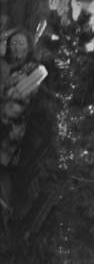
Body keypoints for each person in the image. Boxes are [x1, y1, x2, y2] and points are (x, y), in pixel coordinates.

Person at [1, 29, 48, 229]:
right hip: (5, 116)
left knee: (5, 167)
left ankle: (6, 213)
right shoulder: (4, 66)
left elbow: (21, 93)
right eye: (14, 43)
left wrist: (10, 91)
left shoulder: (34, 67)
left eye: (21, 43)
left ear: (28, 46)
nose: (17, 46)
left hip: (15, 124)